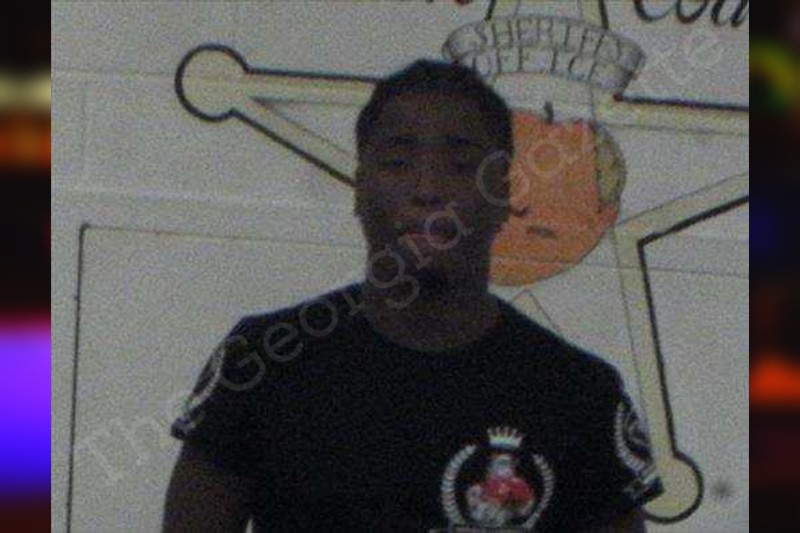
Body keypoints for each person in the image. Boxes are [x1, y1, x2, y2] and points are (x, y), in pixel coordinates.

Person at [163, 59, 662, 532]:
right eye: (398, 163)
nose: (427, 189)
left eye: (460, 166)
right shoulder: (264, 361)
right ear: (359, 188)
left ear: (503, 195)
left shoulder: (578, 395)